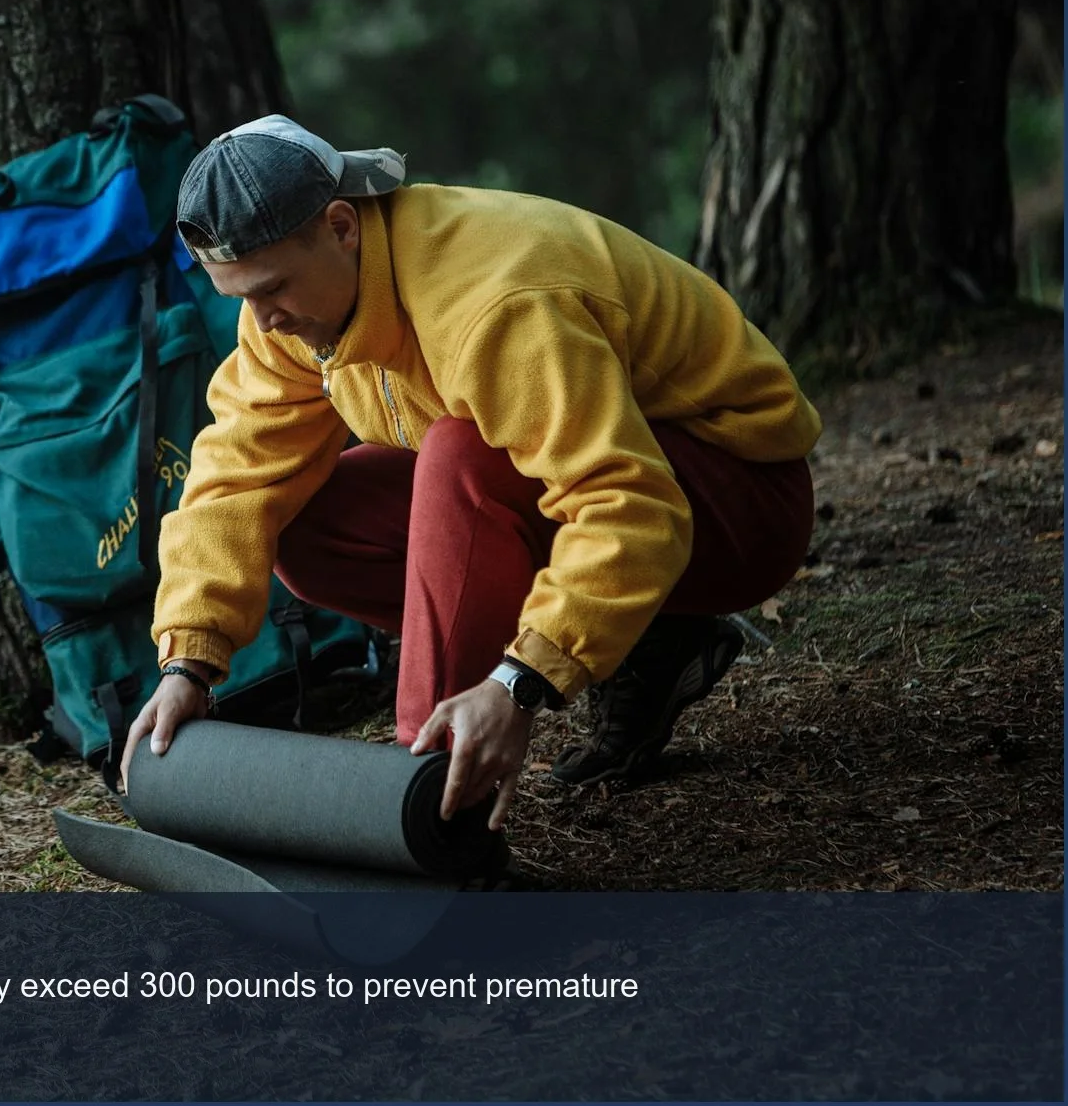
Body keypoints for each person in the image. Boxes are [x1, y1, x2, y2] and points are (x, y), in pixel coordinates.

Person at [120, 114, 819, 830]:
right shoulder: (294, 313)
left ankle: (429, 801)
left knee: (460, 456)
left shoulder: (493, 302)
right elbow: (235, 478)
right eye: (239, 296)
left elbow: (630, 503)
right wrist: (188, 664)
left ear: (340, 226)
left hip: (739, 499)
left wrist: (519, 682)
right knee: (309, 527)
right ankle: (649, 638)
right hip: (615, 496)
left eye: (271, 289)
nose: (262, 322)